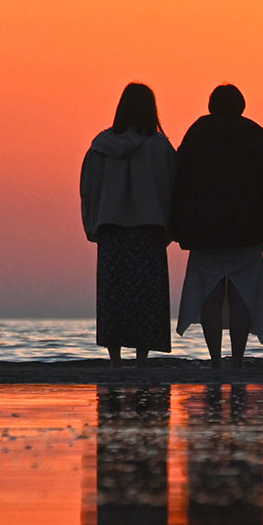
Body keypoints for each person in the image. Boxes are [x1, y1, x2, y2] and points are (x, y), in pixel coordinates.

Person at [171, 84, 263, 368]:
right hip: (247, 231)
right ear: (241, 106)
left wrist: (178, 225)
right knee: (242, 294)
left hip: (204, 232)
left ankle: (214, 360)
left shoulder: (196, 137)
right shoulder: (253, 139)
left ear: (211, 106)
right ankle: (236, 359)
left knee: (209, 294)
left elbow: (178, 183)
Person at [80, 83, 176, 367]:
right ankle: (142, 359)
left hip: (112, 229)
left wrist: (92, 223)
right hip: (149, 229)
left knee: (113, 295)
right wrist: (171, 227)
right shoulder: (160, 146)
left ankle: (115, 359)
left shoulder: (101, 145)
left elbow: (89, 188)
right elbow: (173, 187)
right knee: (146, 297)